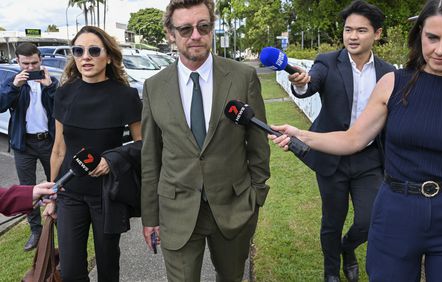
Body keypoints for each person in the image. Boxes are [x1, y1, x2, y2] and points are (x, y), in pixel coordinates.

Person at [270, 0, 442, 281]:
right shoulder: (393, 83)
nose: (440, 50)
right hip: (396, 212)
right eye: (432, 37)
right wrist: (300, 134)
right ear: (419, 36)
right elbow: (353, 139)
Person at [141, 0, 270, 281]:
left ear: (212, 28)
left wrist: (257, 194)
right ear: (170, 34)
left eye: (203, 26)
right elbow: (150, 156)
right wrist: (150, 217)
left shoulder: (242, 77)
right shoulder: (154, 87)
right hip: (177, 210)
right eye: (185, 29)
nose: (195, 35)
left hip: (234, 206)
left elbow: (258, 141)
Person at [287, 1, 394, 281]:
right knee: (332, 221)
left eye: (361, 30)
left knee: (369, 220)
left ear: (377, 34)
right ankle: (331, 273)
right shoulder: (327, 61)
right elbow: (311, 83)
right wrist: (301, 82)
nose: (353, 36)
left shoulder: (388, 72)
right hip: (331, 154)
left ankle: (348, 248)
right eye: (348, 30)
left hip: (369, 158)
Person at [43, 26, 142, 281]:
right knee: (72, 271)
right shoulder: (64, 93)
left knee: (108, 266)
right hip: (69, 194)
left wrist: (112, 160)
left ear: (108, 56)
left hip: (107, 194)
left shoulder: (126, 96)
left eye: (93, 50)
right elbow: (58, 149)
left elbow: (144, 145)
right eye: (78, 50)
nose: (85, 56)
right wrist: (51, 194)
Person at [0, 42, 58, 251]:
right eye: (26, 64)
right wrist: (13, 87)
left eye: (34, 63)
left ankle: (60, 222)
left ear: (41, 59)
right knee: (27, 187)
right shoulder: (12, 82)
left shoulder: (52, 81)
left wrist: (49, 87)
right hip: (23, 143)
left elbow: (62, 108)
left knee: (56, 184)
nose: (31, 68)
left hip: (48, 142)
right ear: (18, 61)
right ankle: (36, 230)